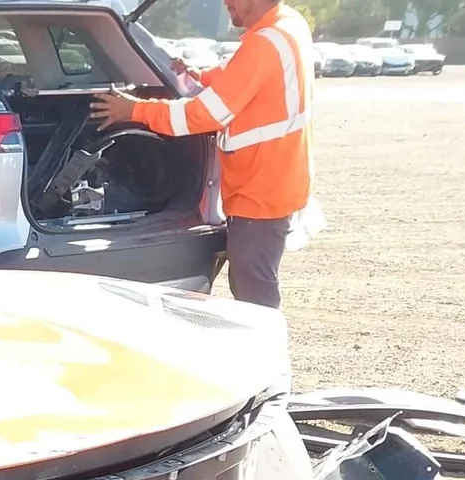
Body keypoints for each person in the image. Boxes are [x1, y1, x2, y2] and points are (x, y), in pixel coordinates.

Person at [89, 0, 316, 308]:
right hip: (276, 181)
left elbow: (204, 115)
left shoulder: (265, 43)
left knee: (254, 291)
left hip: (259, 192)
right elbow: (246, 76)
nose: (225, 2)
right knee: (254, 281)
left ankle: (261, 339)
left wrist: (136, 110)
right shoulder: (287, 25)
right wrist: (202, 76)